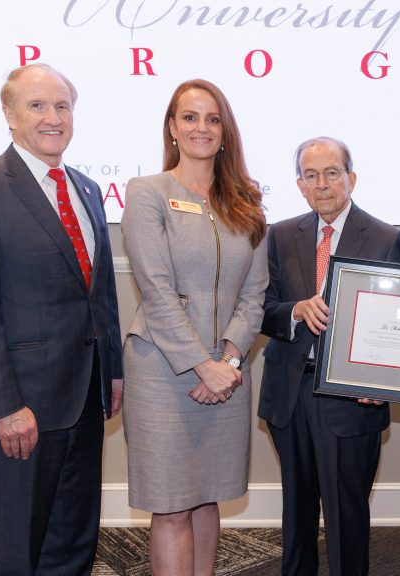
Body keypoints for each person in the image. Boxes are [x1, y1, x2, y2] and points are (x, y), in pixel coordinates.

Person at [0, 63, 123, 575]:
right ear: (9, 116)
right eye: (37, 105)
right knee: (20, 551)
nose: (52, 117)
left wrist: (114, 373)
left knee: (73, 542)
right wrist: (4, 406)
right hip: (20, 410)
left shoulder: (85, 189)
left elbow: (98, 293)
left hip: (84, 399)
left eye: (62, 106)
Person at [120, 79, 268, 575]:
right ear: (172, 127)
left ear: (225, 131)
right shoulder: (147, 193)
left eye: (212, 118)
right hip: (163, 370)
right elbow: (156, 290)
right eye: (189, 117)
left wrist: (227, 360)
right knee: (173, 505)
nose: (200, 127)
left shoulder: (247, 200)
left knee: (209, 499)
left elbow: (255, 294)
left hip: (226, 373)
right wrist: (201, 364)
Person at [259, 136, 400, 575]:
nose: (322, 184)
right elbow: (260, 311)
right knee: (296, 516)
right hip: (290, 395)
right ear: (299, 184)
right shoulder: (281, 235)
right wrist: (294, 310)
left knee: (346, 519)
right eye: (311, 175)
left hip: (349, 400)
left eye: (332, 173)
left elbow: (396, 324)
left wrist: (379, 383)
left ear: (351, 178)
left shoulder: (384, 237)